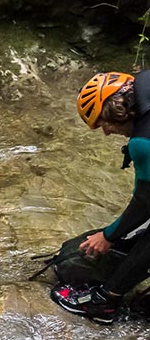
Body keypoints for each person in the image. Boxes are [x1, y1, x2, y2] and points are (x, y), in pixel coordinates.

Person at [51, 69, 150, 323]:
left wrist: (109, 235)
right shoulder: (145, 80)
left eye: (102, 124)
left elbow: (145, 202)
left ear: (115, 113)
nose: (105, 133)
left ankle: (104, 301)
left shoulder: (143, 142)